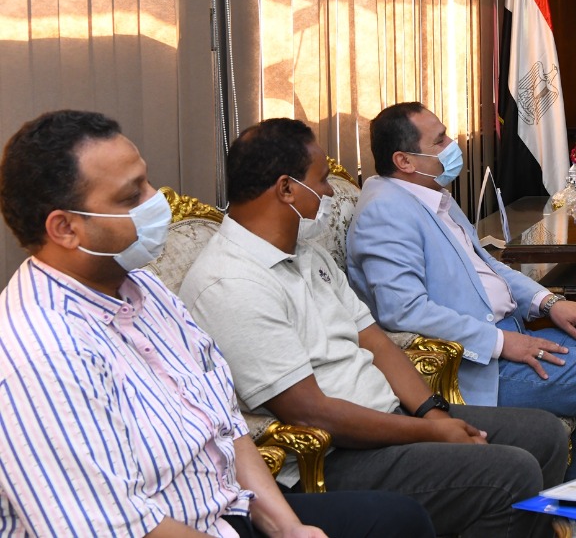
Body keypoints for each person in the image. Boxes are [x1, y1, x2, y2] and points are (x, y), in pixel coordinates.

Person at [0, 109, 434, 538]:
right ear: (65, 228)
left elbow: (226, 425)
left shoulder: (146, 290)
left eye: (146, 181)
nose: (157, 199)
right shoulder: (38, 353)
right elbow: (112, 528)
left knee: (398, 519)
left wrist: (288, 528)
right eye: (131, 197)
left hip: (229, 512)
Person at [180, 118, 567, 538]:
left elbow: (376, 342)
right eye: (321, 181)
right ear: (286, 189)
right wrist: (429, 432)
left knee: (543, 435)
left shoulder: (305, 253)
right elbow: (310, 411)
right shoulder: (231, 283)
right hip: (336, 455)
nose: (330, 193)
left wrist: (433, 412)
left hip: (392, 418)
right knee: (510, 473)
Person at [346, 102, 576, 481]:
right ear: (404, 161)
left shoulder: (429, 194)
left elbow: (487, 266)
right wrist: (501, 343)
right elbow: (404, 311)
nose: (452, 146)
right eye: (440, 140)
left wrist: (549, 302)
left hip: (507, 335)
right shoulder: (386, 212)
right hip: (475, 366)